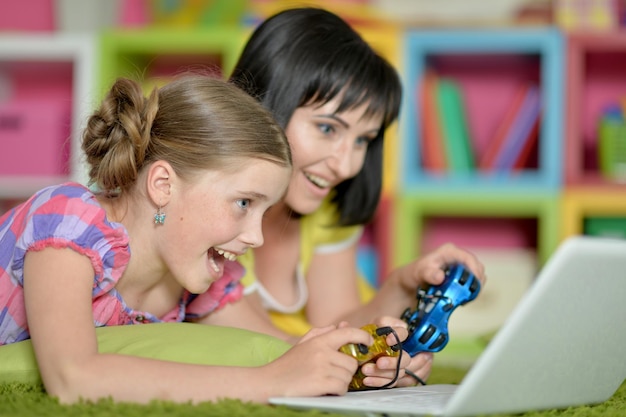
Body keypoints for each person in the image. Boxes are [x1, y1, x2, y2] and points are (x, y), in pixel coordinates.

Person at [0, 74, 410, 404]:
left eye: (264, 211)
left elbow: (283, 349)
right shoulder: (69, 222)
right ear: (163, 185)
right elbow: (73, 377)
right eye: (244, 203)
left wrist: (369, 363)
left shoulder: (200, 274)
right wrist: (268, 383)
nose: (257, 237)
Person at [205, 7, 487, 388]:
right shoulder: (210, 213)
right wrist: (357, 359)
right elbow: (259, 345)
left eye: (363, 140)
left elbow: (339, 321)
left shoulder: (325, 212)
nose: (347, 165)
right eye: (326, 128)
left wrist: (404, 286)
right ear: (263, 105)